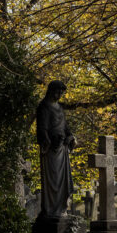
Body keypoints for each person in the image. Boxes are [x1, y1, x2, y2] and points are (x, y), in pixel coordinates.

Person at [35, 80, 76, 220]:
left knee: (62, 181)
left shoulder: (59, 108)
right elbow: (42, 129)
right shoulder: (44, 106)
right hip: (51, 149)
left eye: (61, 93)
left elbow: (65, 127)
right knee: (53, 180)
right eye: (58, 92)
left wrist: (70, 136)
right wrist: (48, 141)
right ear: (51, 91)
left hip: (62, 149)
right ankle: (51, 210)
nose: (59, 95)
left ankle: (61, 209)